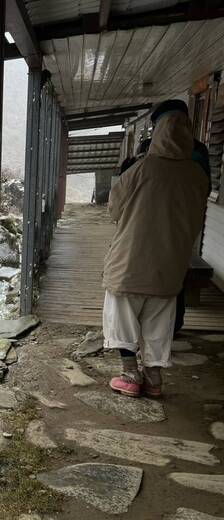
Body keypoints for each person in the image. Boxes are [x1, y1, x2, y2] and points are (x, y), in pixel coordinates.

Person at [103, 104, 209, 399]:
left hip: (130, 261)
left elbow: (114, 210)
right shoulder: (198, 175)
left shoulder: (141, 169)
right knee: (159, 324)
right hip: (171, 264)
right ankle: (154, 380)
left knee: (122, 317)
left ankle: (130, 375)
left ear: (157, 133)